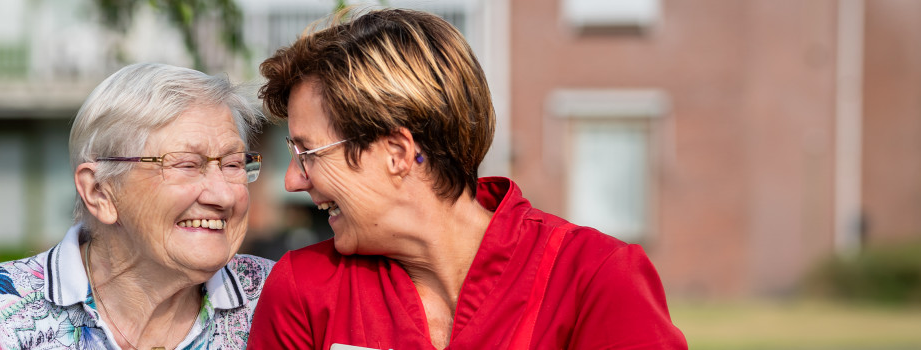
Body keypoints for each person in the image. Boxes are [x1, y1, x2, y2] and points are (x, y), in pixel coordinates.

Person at [248, 8, 687, 349]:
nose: (292, 180)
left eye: (308, 153)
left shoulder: (593, 279)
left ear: (398, 153)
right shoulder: (304, 290)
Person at [0, 63, 273, 350]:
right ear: (100, 191)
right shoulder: (0, 313)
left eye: (232, 165)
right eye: (186, 165)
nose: (224, 195)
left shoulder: (276, 296)